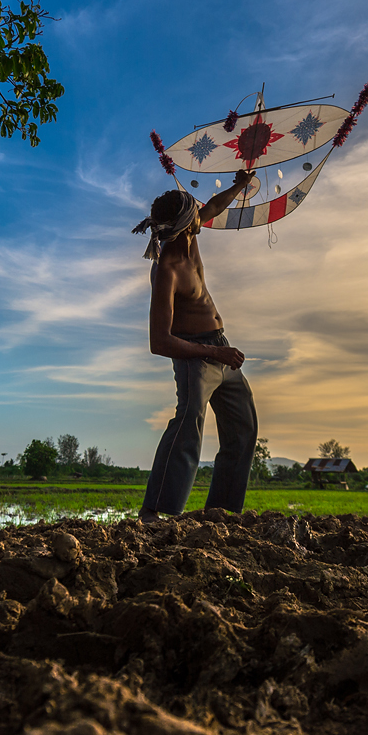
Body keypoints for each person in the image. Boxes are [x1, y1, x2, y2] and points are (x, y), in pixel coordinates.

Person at [132, 170, 259, 524]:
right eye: (196, 215)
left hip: (221, 347)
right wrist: (213, 354)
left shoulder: (190, 236)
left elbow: (216, 205)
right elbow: (160, 342)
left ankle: (222, 511)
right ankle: (153, 511)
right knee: (189, 422)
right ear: (186, 225)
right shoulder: (167, 270)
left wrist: (241, 184)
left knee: (244, 426)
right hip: (196, 357)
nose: (202, 217)